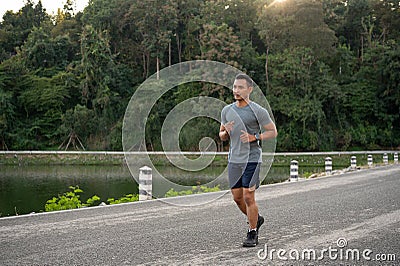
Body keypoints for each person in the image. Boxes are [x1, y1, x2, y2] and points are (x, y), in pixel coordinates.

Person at [219, 73, 277, 247]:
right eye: (235, 87)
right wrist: (225, 132)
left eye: (240, 87)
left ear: (249, 89)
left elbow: (272, 132)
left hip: (252, 159)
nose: (236, 90)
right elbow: (221, 135)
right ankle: (256, 219)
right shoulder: (226, 110)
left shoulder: (258, 110)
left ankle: (252, 233)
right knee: (237, 198)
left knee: (248, 196)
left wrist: (254, 137)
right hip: (234, 160)